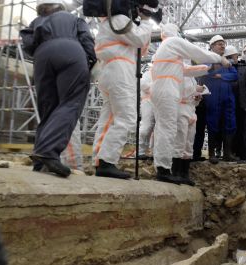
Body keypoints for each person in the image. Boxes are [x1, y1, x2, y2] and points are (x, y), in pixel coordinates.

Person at [20, 0, 95, 177]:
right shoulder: (73, 18)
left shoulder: (36, 22)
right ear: (60, 7)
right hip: (70, 50)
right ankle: (49, 152)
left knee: (48, 108)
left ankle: (40, 160)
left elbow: (28, 45)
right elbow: (87, 40)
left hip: (42, 56)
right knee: (71, 102)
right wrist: (90, 61)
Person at [151, 24, 229, 183]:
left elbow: (188, 70)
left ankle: (167, 169)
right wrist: (219, 58)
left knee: (170, 130)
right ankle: (163, 169)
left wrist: (209, 69)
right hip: (167, 89)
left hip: (167, 89)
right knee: (168, 129)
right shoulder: (172, 42)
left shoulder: (169, 53)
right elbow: (197, 53)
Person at [91, 6, 154, 179]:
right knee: (126, 117)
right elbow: (140, 39)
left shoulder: (108, 22)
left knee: (108, 118)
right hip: (120, 71)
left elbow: (141, 48)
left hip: (110, 70)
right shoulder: (119, 19)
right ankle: (107, 161)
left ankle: (100, 160)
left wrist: (140, 24)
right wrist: (147, 21)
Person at [202, 35, 238, 163]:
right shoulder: (207, 59)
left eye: (223, 44)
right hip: (213, 95)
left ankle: (227, 153)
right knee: (213, 123)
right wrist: (216, 73)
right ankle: (212, 154)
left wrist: (220, 76)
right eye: (219, 44)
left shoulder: (225, 61)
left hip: (227, 96)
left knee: (230, 123)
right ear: (212, 47)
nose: (222, 46)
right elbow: (204, 72)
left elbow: (234, 75)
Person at [173, 60, 210, 185]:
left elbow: (192, 97)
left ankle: (185, 173)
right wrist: (194, 90)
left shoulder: (192, 78)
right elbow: (178, 92)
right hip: (181, 108)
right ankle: (176, 172)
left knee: (189, 142)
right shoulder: (178, 75)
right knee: (180, 140)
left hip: (191, 110)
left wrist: (197, 97)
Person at [138, 63, 156, 159]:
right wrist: (156, 87)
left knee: (158, 130)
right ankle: (141, 151)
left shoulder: (163, 74)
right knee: (146, 126)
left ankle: (154, 152)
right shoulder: (148, 74)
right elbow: (143, 85)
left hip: (159, 103)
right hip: (148, 102)